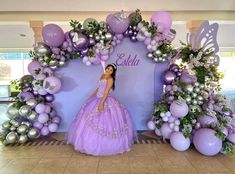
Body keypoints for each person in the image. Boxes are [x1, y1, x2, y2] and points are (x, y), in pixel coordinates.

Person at [67, 63, 136, 156]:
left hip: (104, 99)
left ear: (113, 72)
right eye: (108, 68)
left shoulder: (110, 79)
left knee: (106, 121)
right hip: (97, 98)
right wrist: (92, 95)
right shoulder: (103, 75)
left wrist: (101, 103)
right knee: (86, 119)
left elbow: (106, 91)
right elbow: (99, 87)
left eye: (111, 70)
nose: (108, 70)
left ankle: (107, 146)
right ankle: (86, 143)